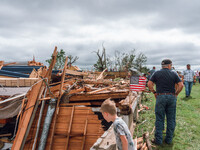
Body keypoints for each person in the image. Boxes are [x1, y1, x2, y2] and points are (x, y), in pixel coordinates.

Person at [148, 59, 183, 145]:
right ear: (169, 65)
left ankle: (158, 140)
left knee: (159, 118)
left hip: (160, 96)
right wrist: (176, 93)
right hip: (171, 96)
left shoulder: (156, 73)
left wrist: (154, 92)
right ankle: (169, 139)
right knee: (171, 119)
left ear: (162, 66)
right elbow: (181, 85)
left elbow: (149, 84)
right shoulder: (173, 73)